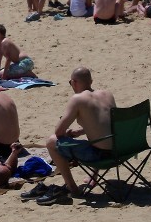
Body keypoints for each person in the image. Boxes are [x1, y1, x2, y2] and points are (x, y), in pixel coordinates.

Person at [34, 67, 116, 204]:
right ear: (91, 81)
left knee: (51, 142)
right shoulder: (107, 94)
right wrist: (82, 131)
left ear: (73, 82)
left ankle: (73, 188)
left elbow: (59, 132)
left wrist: (67, 132)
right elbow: (108, 125)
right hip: (120, 149)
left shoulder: (78, 99)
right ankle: (93, 178)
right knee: (99, 139)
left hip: (100, 156)